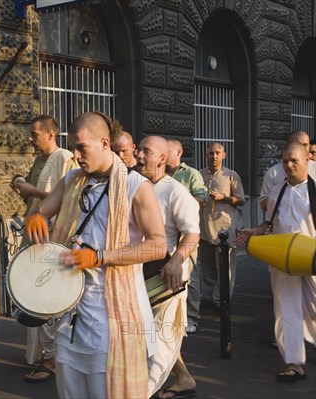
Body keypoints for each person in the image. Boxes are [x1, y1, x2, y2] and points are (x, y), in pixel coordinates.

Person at [26, 112, 167, 398]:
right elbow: (44, 209)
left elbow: (158, 246)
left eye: (81, 148)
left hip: (111, 318)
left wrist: (100, 257)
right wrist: (36, 217)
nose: (76, 155)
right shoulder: (72, 180)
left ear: (104, 143)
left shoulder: (136, 187)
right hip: (70, 311)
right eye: (73, 147)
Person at [235, 142, 316, 383]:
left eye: (295, 161)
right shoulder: (277, 191)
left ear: (307, 161)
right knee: (286, 310)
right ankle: (293, 364)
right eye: (285, 161)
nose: (289, 165)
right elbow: (268, 225)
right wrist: (254, 231)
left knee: (313, 309)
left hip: (312, 259)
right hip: (284, 261)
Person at [11, 115, 77, 382]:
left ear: (51, 134)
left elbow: (66, 199)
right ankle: (43, 353)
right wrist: (20, 185)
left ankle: (52, 359)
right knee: (33, 295)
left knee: (48, 297)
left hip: (53, 239)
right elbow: (34, 191)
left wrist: (31, 190)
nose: (29, 138)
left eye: (34, 134)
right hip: (35, 235)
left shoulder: (65, 158)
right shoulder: (39, 159)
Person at [137, 136, 200, 399]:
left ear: (162, 159)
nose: (138, 155)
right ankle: (184, 378)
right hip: (139, 275)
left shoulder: (176, 191)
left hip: (168, 279)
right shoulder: (136, 186)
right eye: (138, 150)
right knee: (149, 335)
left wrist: (176, 260)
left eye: (146, 151)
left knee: (161, 341)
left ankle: (139, 393)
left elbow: (192, 234)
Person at [166, 139, 207, 334]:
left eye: (168, 150)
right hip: (167, 235)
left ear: (178, 152)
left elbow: (202, 198)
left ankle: (191, 316)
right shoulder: (162, 174)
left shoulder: (190, 174)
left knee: (190, 276)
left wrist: (181, 204)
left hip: (186, 234)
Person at [198, 143, 245, 310]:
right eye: (211, 153)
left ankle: (221, 301)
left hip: (224, 230)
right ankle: (208, 297)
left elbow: (241, 200)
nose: (214, 156)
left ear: (224, 155)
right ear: (206, 155)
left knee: (224, 268)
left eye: (218, 153)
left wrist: (224, 197)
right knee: (207, 267)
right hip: (204, 229)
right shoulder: (199, 175)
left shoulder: (231, 176)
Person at [260, 130, 316, 211]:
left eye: (306, 145)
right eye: (298, 144)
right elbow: (263, 204)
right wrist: (283, 195)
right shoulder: (273, 175)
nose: (289, 166)